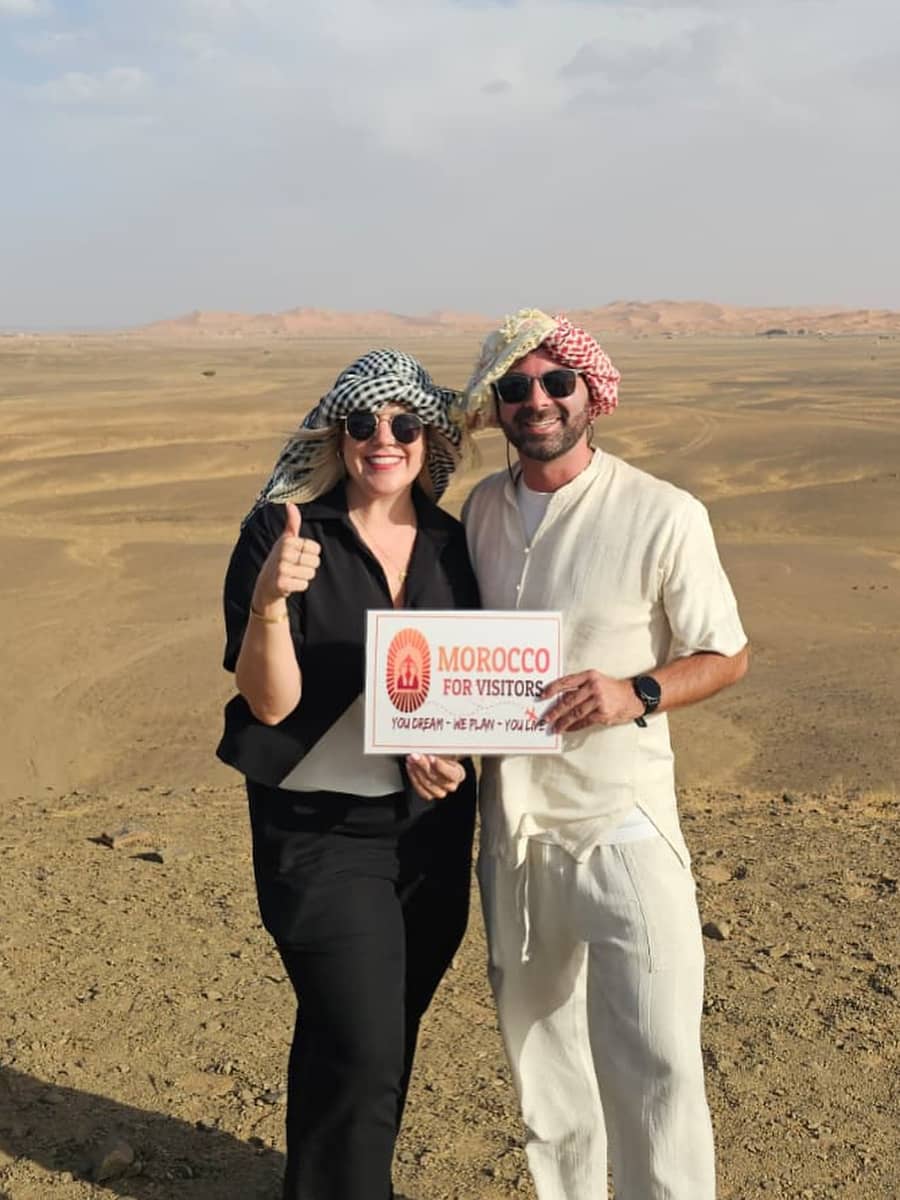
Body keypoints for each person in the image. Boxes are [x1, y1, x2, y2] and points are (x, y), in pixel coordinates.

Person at [460, 309, 749, 1200]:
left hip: (622, 823)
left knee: (657, 1063)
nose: (538, 400)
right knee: (544, 1066)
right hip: (514, 835)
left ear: (593, 393)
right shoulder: (480, 511)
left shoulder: (663, 512)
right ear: (499, 406)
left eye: (558, 382)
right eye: (517, 387)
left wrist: (637, 693)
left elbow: (725, 653)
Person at [216, 349, 479, 1200]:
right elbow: (269, 705)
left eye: (404, 424)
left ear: (428, 438)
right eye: (362, 422)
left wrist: (445, 747)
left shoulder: (452, 545)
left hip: (429, 832)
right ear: (338, 435)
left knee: (373, 1035)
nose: (382, 439)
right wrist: (269, 604)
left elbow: (465, 684)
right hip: (318, 832)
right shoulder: (284, 533)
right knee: (364, 1043)